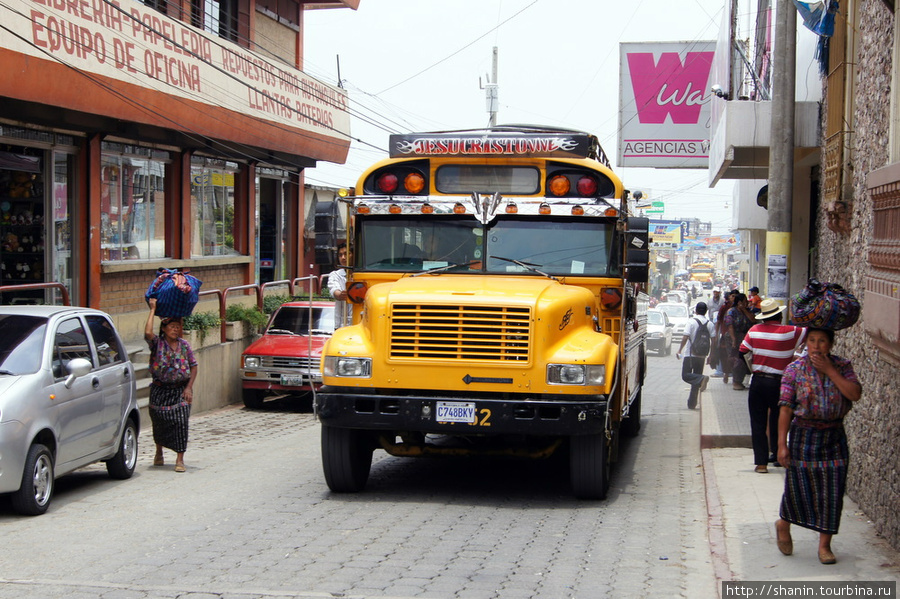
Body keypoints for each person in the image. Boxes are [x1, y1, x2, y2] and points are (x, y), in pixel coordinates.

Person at [774, 327, 862, 565]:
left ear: (830, 344)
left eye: (822, 341)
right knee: (797, 489)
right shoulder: (794, 370)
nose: (816, 345)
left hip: (834, 437)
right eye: (812, 340)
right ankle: (784, 523)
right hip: (804, 436)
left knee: (832, 492)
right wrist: (782, 445)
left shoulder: (843, 367)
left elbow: (854, 394)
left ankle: (824, 546)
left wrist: (830, 371)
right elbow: (785, 409)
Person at [739, 299, 807, 473]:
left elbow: (742, 352)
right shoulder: (792, 332)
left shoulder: (754, 331)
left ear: (763, 317)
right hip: (781, 383)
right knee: (779, 420)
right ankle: (778, 455)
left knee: (758, 422)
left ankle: (761, 464)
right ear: (780, 315)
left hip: (758, 381)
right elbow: (810, 331)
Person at [144, 298, 198, 473]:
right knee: (159, 421)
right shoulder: (157, 344)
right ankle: (159, 451)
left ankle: (179, 459)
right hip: (160, 389)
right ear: (164, 329)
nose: (176, 330)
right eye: (172, 327)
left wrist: (189, 387)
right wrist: (153, 309)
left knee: (181, 421)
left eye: (178, 327)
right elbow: (147, 333)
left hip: (180, 390)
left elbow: (194, 366)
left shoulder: (184, 346)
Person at [676, 301, 715, 410]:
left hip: (690, 355)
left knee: (686, 375)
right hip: (701, 356)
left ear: (696, 310)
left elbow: (685, 337)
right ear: (706, 311)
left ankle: (702, 378)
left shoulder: (691, 322)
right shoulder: (710, 324)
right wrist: (711, 355)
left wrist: (679, 350)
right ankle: (692, 404)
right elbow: (714, 341)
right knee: (696, 380)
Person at [724, 292, 755, 390]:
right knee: (736, 359)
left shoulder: (748, 311)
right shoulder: (731, 311)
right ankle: (736, 381)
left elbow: (753, 320)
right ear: (739, 302)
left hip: (745, 338)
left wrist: (744, 310)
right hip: (733, 337)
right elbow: (730, 326)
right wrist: (733, 340)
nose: (747, 303)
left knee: (744, 359)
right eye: (745, 302)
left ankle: (739, 379)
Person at [327, 242, 351, 328]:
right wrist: (340, 295)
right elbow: (334, 291)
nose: (343, 258)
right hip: (341, 326)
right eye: (340, 255)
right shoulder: (335, 275)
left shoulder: (362, 276)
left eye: (346, 254)